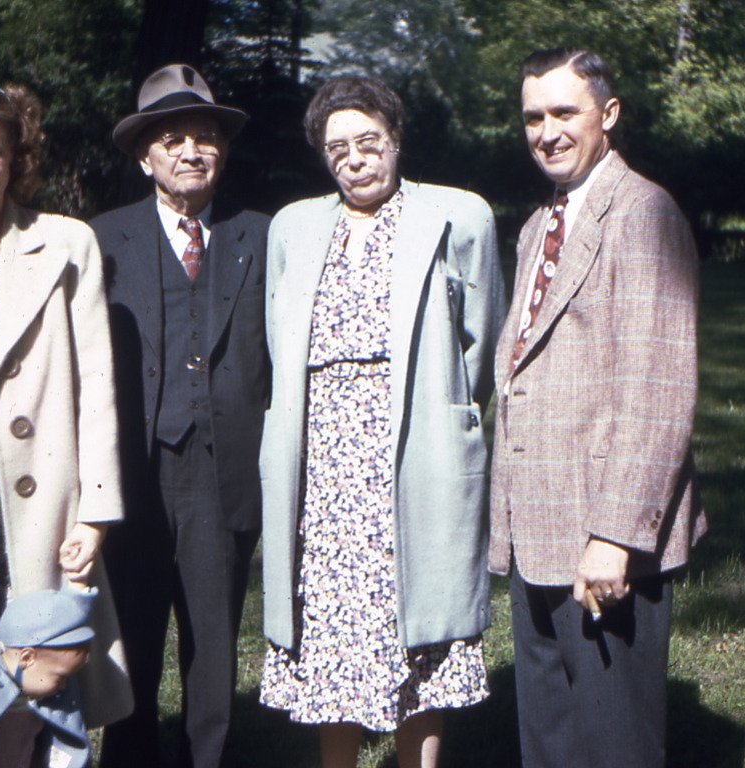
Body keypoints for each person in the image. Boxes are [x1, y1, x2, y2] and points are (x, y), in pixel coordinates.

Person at [259, 74, 506, 768]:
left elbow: (478, 344)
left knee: (420, 621)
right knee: (330, 622)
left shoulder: (459, 217)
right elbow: (281, 344)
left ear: (396, 141)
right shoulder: (295, 226)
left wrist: (446, 418)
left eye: (370, 142)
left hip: (415, 444)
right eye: (337, 148)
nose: (356, 158)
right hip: (324, 461)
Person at [488, 48, 707, 768]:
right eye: (532, 117)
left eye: (563, 112)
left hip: (602, 537)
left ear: (607, 115)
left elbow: (659, 390)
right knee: (549, 739)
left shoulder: (643, 213)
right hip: (538, 528)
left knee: (615, 743)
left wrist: (615, 535)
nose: (546, 131)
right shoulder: (536, 226)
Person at [90, 64, 270, 768]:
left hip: (224, 470)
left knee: (214, 647)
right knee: (129, 638)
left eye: (205, 137)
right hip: (132, 472)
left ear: (221, 152)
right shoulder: (102, 239)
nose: (191, 150)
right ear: (145, 157)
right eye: (173, 139)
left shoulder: (260, 234)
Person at [0, 76, 131, 730]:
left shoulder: (68, 243)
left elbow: (97, 388)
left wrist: (95, 513)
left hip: (44, 512)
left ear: (16, 154)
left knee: (41, 684)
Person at [0, 546, 97, 768]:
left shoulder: (40, 693)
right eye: (60, 677)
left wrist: (78, 587)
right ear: (27, 658)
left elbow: (68, 623)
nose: (64, 686)